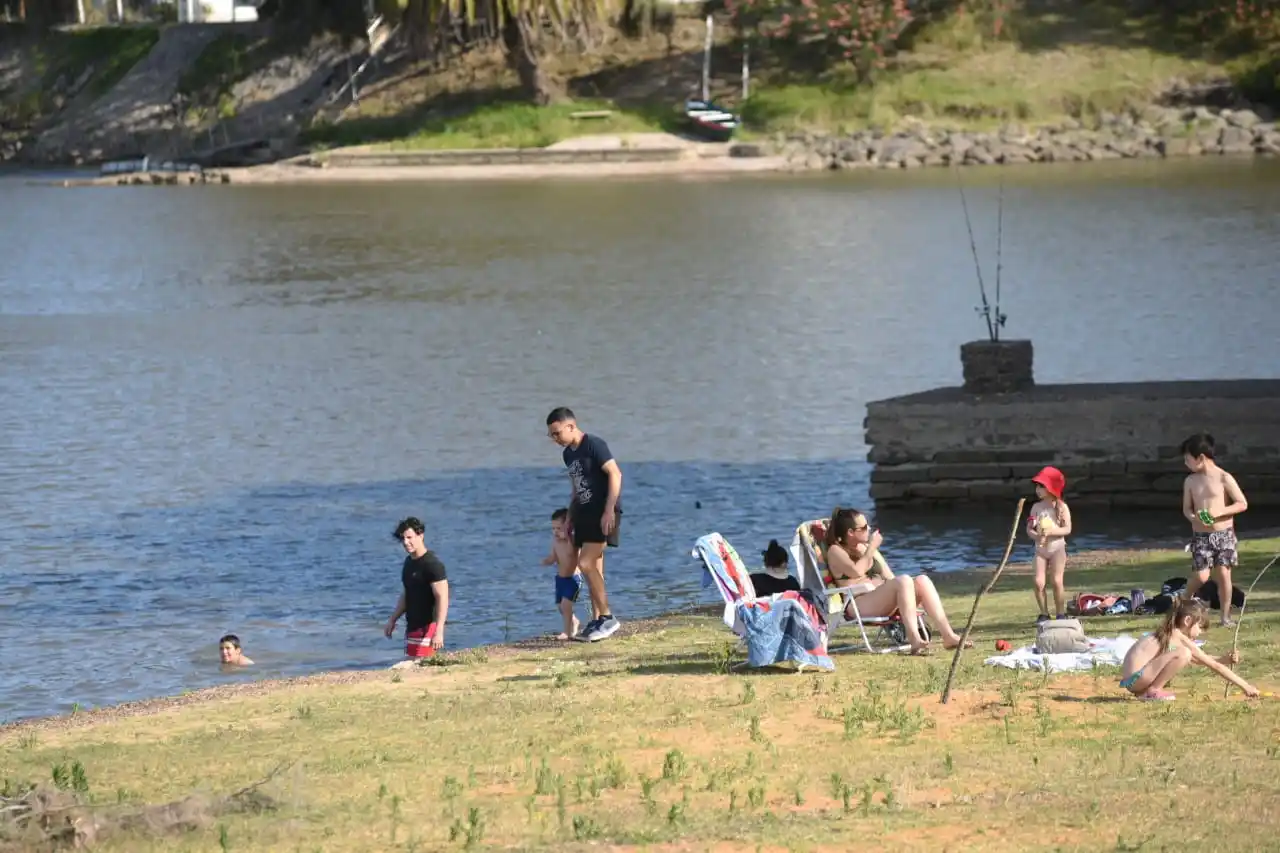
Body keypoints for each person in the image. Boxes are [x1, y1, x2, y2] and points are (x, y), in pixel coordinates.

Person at [823, 507, 971, 655]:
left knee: (922, 580)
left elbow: (889, 576)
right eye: (864, 527)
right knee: (904, 580)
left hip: (880, 599)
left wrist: (910, 592)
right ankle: (914, 638)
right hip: (858, 603)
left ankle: (948, 636)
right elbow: (856, 571)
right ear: (850, 532)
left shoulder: (865, 547)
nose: (869, 529)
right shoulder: (836, 551)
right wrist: (872, 548)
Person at [546, 407, 622, 643]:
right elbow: (576, 488)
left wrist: (609, 510)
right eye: (551, 435)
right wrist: (570, 517)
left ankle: (608, 617)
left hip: (602, 511)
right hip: (583, 513)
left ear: (571, 426)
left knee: (586, 563)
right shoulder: (568, 455)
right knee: (594, 568)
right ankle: (598, 620)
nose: (555, 439)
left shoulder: (594, 445)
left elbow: (615, 474)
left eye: (557, 433)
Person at [1118, 597, 1258, 702]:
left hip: (1133, 681)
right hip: (1136, 679)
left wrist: (1223, 659)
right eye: (1200, 627)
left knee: (1185, 654)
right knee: (1184, 653)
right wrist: (1246, 686)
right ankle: (1153, 690)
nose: (1200, 632)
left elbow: (1198, 659)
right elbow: (1213, 665)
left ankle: (1145, 692)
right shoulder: (1177, 636)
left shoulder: (1168, 633)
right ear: (1188, 621)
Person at [1181, 433, 1249, 626]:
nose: (1186, 463)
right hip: (1201, 535)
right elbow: (1187, 508)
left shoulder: (1224, 477)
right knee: (1201, 576)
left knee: (1224, 575)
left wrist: (1219, 512)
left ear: (1201, 457)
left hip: (1223, 534)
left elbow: (1242, 503)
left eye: (1188, 459)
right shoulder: (1190, 481)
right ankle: (1183, 599)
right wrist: (1193, 517)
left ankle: (1225, 617)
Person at [384, 517, 450, 659]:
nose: (405, 542)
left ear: (420, 536)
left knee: (422, 666)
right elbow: (407, 593)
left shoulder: (432, 565)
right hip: (412, 627)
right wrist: (392, 619)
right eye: (403, 538)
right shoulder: (409, 562)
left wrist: (439, 631)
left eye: (409, 537)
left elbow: (442, 598)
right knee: (412, 664)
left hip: (428, 628)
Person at [1026, 466, 1073, 624]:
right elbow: (1029, 528)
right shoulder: (1036, 508)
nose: (1038, 490)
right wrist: (1036, 536)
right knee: (1038, 582)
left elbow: (1067, 529)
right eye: (1037, 486)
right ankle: (1044, 613)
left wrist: (1052, 531)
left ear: (1051, 487)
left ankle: (1060, 613)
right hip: (1041, 550)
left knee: (1057, 581)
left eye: (1042, 486)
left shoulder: (1061, 507)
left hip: (1057, 549)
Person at [541, 507, 582, 640]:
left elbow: (572, 553)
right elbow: (553, 557)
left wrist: (568, 537)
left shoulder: (573, 541)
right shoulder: (555, 542)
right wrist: (547, 561)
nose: (555, 532)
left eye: (559, 529)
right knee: (560, 606)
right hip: (560, 579)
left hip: (573, 578)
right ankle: (574, 621)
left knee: (566, 605)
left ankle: (567, 632)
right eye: (553, 529)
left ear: (569, 528)